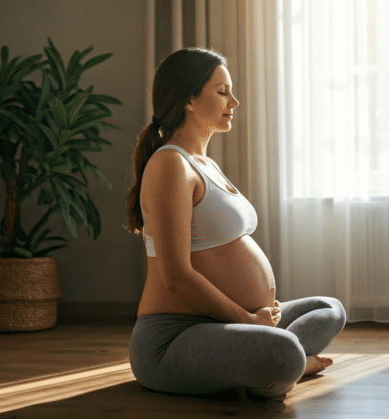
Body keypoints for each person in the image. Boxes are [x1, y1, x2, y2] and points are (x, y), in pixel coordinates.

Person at [125, 47, 346, 401]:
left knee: (329, 309)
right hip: (174, 339)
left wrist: (253, 319)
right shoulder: (170, 165)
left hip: (230, 323)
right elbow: (176, 275)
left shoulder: (204, 164)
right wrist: (247, 319)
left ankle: (255, 362)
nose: (235, 102)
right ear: (190, 100)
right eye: (222, 92)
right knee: (285, 353)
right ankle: (281, 363)